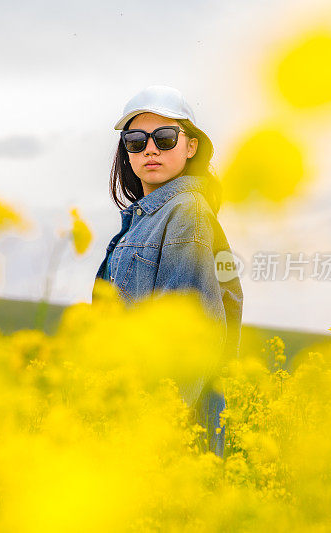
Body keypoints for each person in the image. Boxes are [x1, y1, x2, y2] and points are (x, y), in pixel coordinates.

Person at [92, 85, 243, 457]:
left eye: (164, 137)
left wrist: (157, 428)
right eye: (136, 141)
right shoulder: (143, 220)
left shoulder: (186, 213)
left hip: (164, 432)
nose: (150, 149)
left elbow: (187, 334)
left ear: (191, 146)